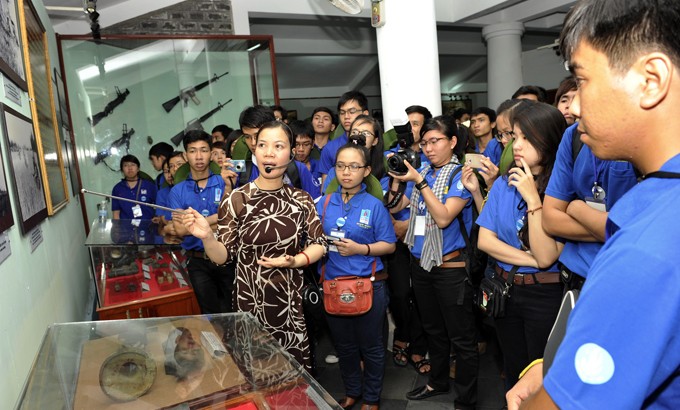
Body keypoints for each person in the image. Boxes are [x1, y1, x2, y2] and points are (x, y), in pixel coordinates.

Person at [507, 1, 680, 408]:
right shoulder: (657, 200)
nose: (576, 106)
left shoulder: (649, 244)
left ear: (650, 79)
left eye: (582, 80)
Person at [179, 121, 327, 371]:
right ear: (254, 152)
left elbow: (319, 244)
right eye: (262, 145)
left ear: (290, 154)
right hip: (251, 303)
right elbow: (222, 257)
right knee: (258, 374)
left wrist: (295, 260)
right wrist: (207, 237)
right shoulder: (236, 199)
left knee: (293, 376)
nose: (269, 152)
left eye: (278, 146)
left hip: (290, 302)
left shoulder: (301, 199)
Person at [473, 101, 566, 389]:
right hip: (505, 290)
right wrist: (533, 259)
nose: (517, 146)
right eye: (514, 137)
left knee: (542, 374)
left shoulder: (563, 189)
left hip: (545, 295)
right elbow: (485, 240)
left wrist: (533, 200)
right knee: (513, 370)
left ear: (549, 141)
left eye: (527, 138)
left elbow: (550, 254)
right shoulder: (504, 183)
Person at [387, 115, 477, 410]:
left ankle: (466, 399)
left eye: (435, 141)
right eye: (424, 142)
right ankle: (437, 382)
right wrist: (396, 181)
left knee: (461, 338)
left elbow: (443, 216)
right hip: (421, 263)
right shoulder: (424, 170)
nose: (428, 148)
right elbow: (404, 206)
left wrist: (419, 181)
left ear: (452, 142)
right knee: (433, 330)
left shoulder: (460, 175)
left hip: (450, 268)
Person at [318, 143, 397, 410]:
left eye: (353, 166)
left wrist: (360, 249)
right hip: (332, 286)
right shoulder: (325, 203)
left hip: (368, 287)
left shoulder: (374, 205)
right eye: (341, 166)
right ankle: (352, 391)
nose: (346, 172)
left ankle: (372, 398)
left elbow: (389, 244)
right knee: (345, 346)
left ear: (365, 171)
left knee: (372, 346)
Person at [383, 105, 432, 373]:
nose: (411, 129)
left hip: (426, 237)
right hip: (397, 240)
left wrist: (408, 224)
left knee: (423, 294)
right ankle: (403, 334)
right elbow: (388, 204)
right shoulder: (392, 157)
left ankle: (418, 346)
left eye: (416, 124)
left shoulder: (432, 160)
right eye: (408, 123)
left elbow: (436, 206)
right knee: (400, 294)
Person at [169, 130, 234, 314]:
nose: (198, 157)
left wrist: (198, 223)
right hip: (197, 262)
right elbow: (181, 230)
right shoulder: (177, 191)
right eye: (192, 151)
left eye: (204, 150)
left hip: (226, 256)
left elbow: (230, 219)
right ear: (185, 155)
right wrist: (215, 220)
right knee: (209, 314)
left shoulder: (223, 182)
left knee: (236, 310)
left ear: (211, 153)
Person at [236, 105, 320, 199]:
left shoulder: (297, 169)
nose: (253, 142)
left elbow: (317, 206)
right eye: (247, 137)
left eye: (257, 135)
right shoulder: (239, 169)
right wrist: (227, 186)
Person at [318, 91, 370, 185]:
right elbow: (327, 189)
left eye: (352, 111)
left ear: (365, 114)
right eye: (342, 112)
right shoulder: (330, 148)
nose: (346, 116)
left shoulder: (374, 142)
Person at [111, 154, 157, 220]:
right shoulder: (117, 188)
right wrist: (118, 229)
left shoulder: (149, 186)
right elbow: (116, 213)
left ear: (138, 168)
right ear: (122, 170)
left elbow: (159, 208)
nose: (129, 168)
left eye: (133, 165)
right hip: (125, 228)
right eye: (126, 165)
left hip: (147, 227)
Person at [289, 120, 322, 192]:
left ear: (313, 144)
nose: (301, 149)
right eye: (296, 144)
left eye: (306, 144)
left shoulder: (321, 167)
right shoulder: (282, 170)